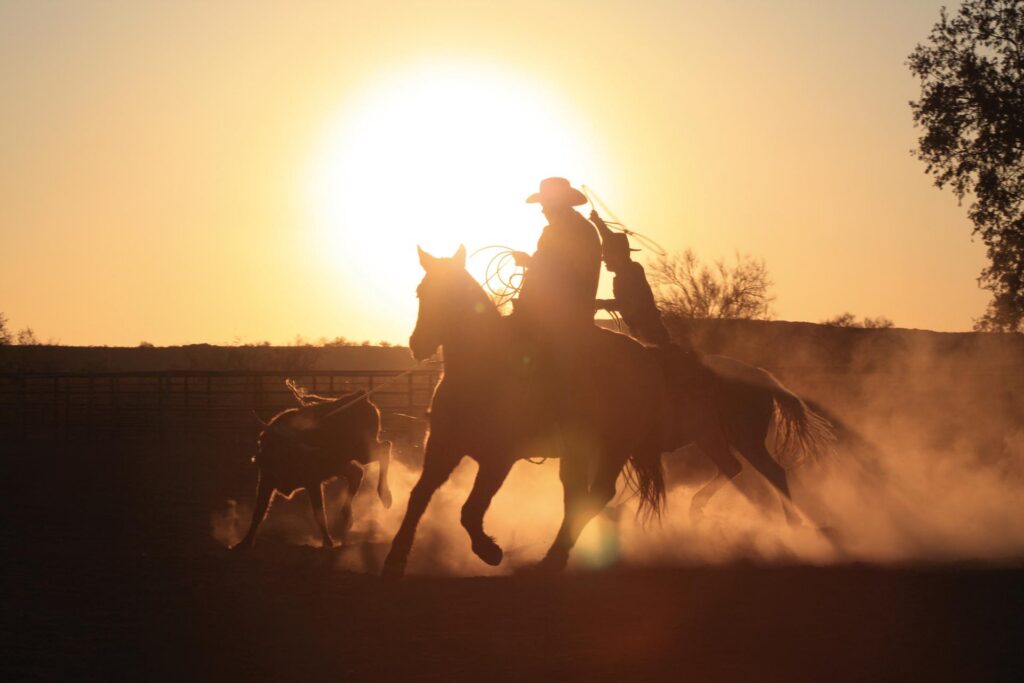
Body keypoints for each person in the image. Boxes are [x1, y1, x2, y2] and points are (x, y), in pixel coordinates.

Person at [512, 178, 602, 338]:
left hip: (557, 318)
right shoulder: (576, 226)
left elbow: (561, 271)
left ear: (557, 203)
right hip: (557, 314)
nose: (543, 210)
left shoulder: (571, 229)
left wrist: (529, 262)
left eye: (545, 204)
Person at [591, 211, 672, 347]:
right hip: (644, 333)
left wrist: (601, 303)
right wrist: (598, 222)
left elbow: (627, 303)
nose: (605, 261)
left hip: (651, 335)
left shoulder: (631, 273)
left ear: (618, 256)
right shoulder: (629, 271)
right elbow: (609, 238)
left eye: (608, 257)